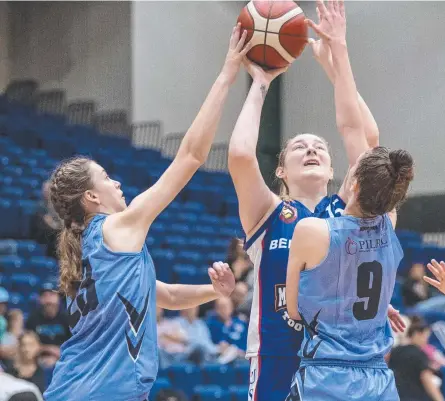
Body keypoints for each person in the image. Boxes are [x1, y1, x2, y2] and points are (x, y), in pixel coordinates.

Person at [43, 25, 249, 401]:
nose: (117, 182)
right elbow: (190, 156)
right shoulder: (117, 227)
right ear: (91, 195)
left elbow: (166, 295)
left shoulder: (96, 251)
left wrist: (216, 291)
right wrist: (228, 73)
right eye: (106, 177)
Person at [227, 2, 404, 400]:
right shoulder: (269, 213)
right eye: (299, 147)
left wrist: (335, 65)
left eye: (320, 147)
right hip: (276, 355)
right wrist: (259, 82)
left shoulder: (346, 211)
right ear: (281, 171)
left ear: (332, 172)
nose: (311, 150)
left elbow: (365, 137)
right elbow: (240, 156)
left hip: (339, 355)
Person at [285, 1, 413, 399]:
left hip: (325, 378)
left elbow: (293, 311)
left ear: (353, 186)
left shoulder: (311, 231)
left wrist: (337, 49)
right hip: (377, 381)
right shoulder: (389, 224)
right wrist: (336, 55)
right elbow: (360, 130)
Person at [389, 319, 445, 401]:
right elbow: (426, 378)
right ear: (416, 334)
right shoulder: (419, 354)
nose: (426, 341)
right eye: (425, 336)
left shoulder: (394, 351)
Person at [26, 282, 71, 367]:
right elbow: (28, 345)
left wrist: (59, 355)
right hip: (38, 361)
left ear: (59, 297)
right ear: (39, 299)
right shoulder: (32, 319)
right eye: (44, 296)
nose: (48, 300)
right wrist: (50, 349)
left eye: (52, 295)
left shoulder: (67, 319)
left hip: (64, 360)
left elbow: (73, 345)